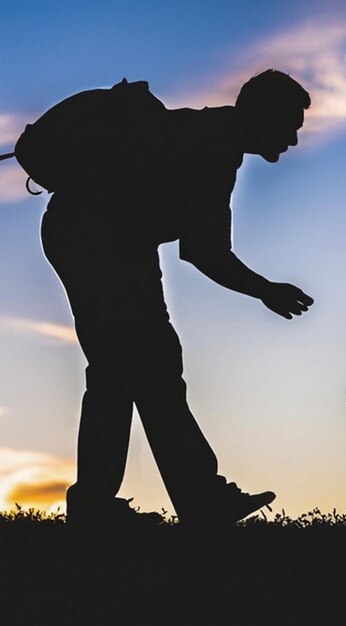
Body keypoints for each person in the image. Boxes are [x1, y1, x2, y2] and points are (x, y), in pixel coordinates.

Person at [40, 69, 314, 526]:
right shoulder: (213, 147)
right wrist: (266, 290)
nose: (292, 141)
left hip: (103, 241)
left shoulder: (208, 133)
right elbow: (205, 252)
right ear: (262, 115)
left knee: (137, 370)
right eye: (289, 126)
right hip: (96, 242)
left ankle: (175, 498)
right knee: (131, 369)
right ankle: (163, 500)